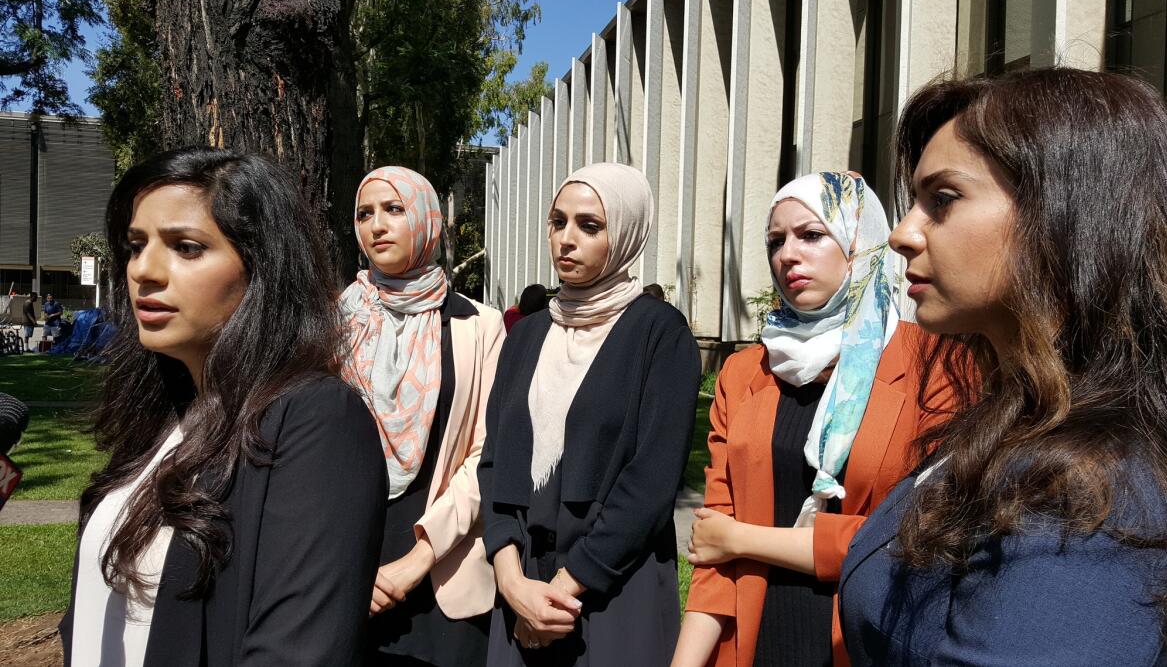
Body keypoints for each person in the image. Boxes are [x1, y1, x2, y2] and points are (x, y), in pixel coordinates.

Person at [839, 67, 1167, 664]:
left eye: (943, 199)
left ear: (1066, 214)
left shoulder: (1091, 490)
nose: (903, 233)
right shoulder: (1025, 417)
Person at [60, 148, 387, 666]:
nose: (144, 270)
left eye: (186, 248)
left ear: (261, 269)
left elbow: (297, 652)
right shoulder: (165, 417)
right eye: (135, 245)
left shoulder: (316, 420)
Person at [671, 172, 953, 667]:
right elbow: (711, 549)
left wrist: (743, 539)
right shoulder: (744, 373)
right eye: (775, 241)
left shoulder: (936, 369)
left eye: (811, 235)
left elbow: (911, 543)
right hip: (756, 642)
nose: (787, 255)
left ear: (858, 241)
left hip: (869, 644)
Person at [478, 162, 701, 666]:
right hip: (521, 587)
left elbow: (650, 481)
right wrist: (512, 582)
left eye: (589, 225)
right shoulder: (527, 335)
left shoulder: (659, 334)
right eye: (558, 222)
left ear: (625, 233)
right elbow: (494, 463)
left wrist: (562, 590)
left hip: (611, 589)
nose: (566, 239)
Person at [339, 166, 505, 666]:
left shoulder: (479, 325)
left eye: (394, 210)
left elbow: (486, 453)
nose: (377, 225)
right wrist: (347, 564)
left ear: (428, 219)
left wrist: (416, 560)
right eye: (365, 213)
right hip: (346, 565)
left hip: (442, 567)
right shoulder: (336, 321)